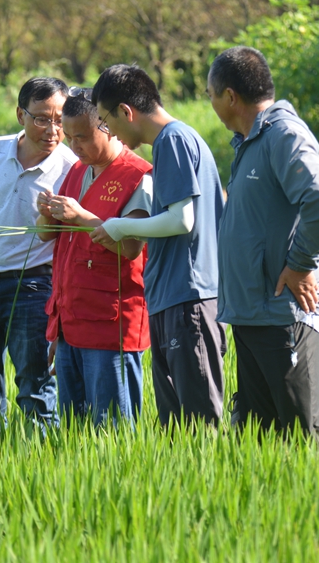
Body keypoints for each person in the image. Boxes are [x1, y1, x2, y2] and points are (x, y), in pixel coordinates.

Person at [206, 46, 319, 445]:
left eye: (211, 95)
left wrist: (300, 264)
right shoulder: (250, 141)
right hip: (251, 314)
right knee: (258, 442)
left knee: (301, 439)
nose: (211, 103)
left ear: (230, 96)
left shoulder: (282, 134)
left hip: (282, 315)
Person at [89, 64, 228, 428]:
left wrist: (119, 226)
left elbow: (182, 220)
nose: (109, 133)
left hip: (188, 298)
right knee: (175, 428)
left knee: (197, 426)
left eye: (106, 121)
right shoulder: (175, 141)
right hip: (174, 297)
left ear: (126, 112)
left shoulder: (172, 140)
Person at [0, 77, 78, 427]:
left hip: (33, 289)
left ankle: (42, 456)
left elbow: (70, 251)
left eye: (60, 120)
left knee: (36, 390)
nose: (52, 130)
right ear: (21, 114)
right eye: (41, 119)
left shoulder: (71, 167)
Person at [35, 91, 154, 426]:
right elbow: (47, 235)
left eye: (83, 137)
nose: (75, 146)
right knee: (74, 430)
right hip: (70, 322)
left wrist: (81, 216)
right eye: (70, 137)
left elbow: (130, 247)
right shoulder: (76, 171)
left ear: (107, 127)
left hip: (111, 326)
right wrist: (46, 213)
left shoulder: (138, 175)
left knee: (111, 431)